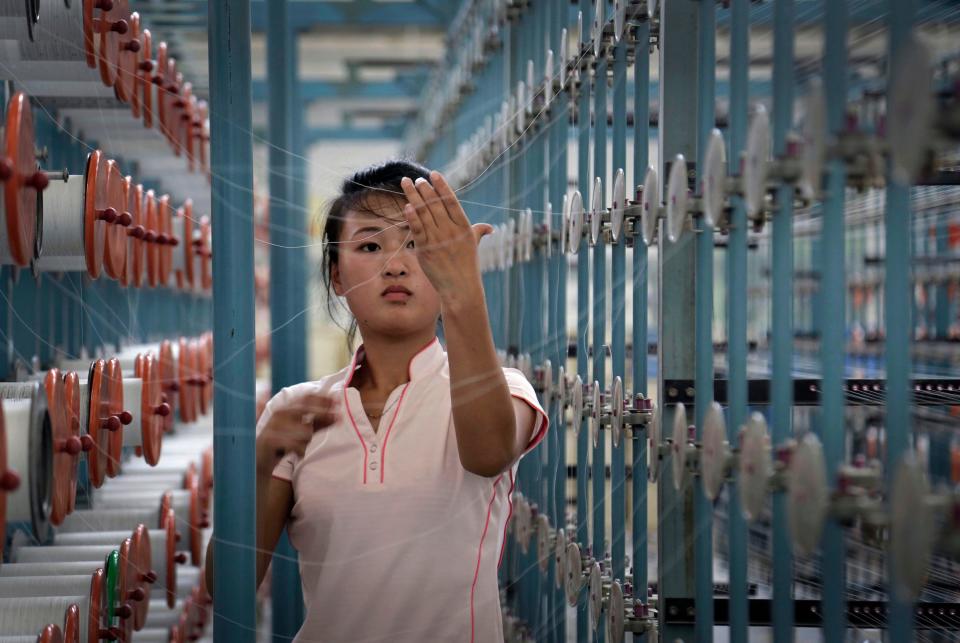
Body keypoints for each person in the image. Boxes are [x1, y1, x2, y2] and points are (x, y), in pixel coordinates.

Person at [204, 160, 549, 642]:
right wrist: (260, 465)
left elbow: (488, 452)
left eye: (418, 244)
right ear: (337, 277)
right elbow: (228, 587)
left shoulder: (505, 390)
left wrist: (464, 292)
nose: (396, 264)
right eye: (369, 245)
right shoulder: (296, 411)